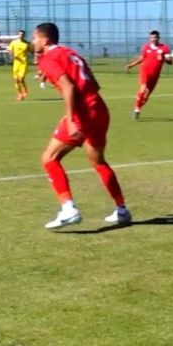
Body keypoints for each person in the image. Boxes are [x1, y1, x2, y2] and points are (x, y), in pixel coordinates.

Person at [32, 22, 130, 228]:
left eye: (35, 38)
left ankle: (68, 209)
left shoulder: (49, 58)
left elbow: (68, 86)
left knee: (49, 158)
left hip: (82, 114)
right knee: (99, 161)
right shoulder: (70, 53)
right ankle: (122, 209)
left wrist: (70, 119)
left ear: (45, 39)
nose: (33, 42)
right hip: (100, 109)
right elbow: (93, 83)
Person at [125, 30, 172, 119]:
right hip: (145, 70)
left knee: (146, 96)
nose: (153, 39)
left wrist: (166, 59)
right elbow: (142, 58)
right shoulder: (146, 47)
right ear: (149, 38)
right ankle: (137, 109)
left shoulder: (164, 48)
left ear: (158, 38)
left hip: (155, 74)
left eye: (155, 37)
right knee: (143, 89)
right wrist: (131, 65)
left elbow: (170, 62)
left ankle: (137, 108)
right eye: (151, 38)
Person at [7, 30, 31, 101]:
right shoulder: (14, 42)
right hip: (16, 63)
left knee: (21, 79)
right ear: (18, 35)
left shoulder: (27, 43)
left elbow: (32, 50)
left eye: (22, 34)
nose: (21, 35)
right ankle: (19, 94)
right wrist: (12, 54)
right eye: (20, 34)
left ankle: (25, 91)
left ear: (24, 35)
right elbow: (9, 50)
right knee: (16, 80)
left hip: (24, 63)